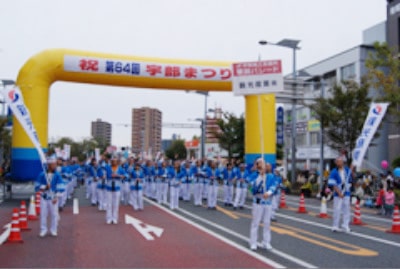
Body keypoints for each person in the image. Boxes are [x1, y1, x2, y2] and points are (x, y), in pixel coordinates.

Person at [249, 159, 276, 251]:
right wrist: (260, 176)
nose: (262, 165)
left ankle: (266, 242)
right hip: (258, 202)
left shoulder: (271, 176)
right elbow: (252, 189)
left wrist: (268, 193)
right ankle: (253, 242)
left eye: (263, 163)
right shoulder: (253, 175)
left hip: (267, 202)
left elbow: (274, 186)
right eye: (259, 163)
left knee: (267, 223)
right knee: (255, 222)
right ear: (256, 165)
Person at [35, 157, 64, 237]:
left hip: (53, 197)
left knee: (54, 214)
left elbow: (61, 186)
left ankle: (53, 230)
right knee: (43, 214)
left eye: (55, 164)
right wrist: (45, 187)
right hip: (44, 197)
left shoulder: (57, 175)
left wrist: (56, 197)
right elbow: (36, 186)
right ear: (49, 165)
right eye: (53, 164)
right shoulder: (42, 174)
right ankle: (43, 230)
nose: (55, 166)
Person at [328, 156, 353, 233]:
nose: (338, 163)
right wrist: (339, 193)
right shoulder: (334, 171)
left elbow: (350, 181)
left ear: (343, 162)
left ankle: (345, 225)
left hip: (346, 192)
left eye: (340, 161)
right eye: (337, 161)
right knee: (337, 209)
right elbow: (332, 184)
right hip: (337, 193)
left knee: (346, 209)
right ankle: (335, 225)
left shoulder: (347, 170)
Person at [105, 157, 126, 224]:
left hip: (117, 187)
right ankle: (109, 218)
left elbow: (126, 175)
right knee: (109, 203)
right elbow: (105, 174)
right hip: (109, 187)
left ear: (117, 162)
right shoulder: (107, 168)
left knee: (116, 204)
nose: (114, 162)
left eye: (115, 161)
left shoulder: (120, 168)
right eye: (112, 161)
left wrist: (118, 175)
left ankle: (115, 218)